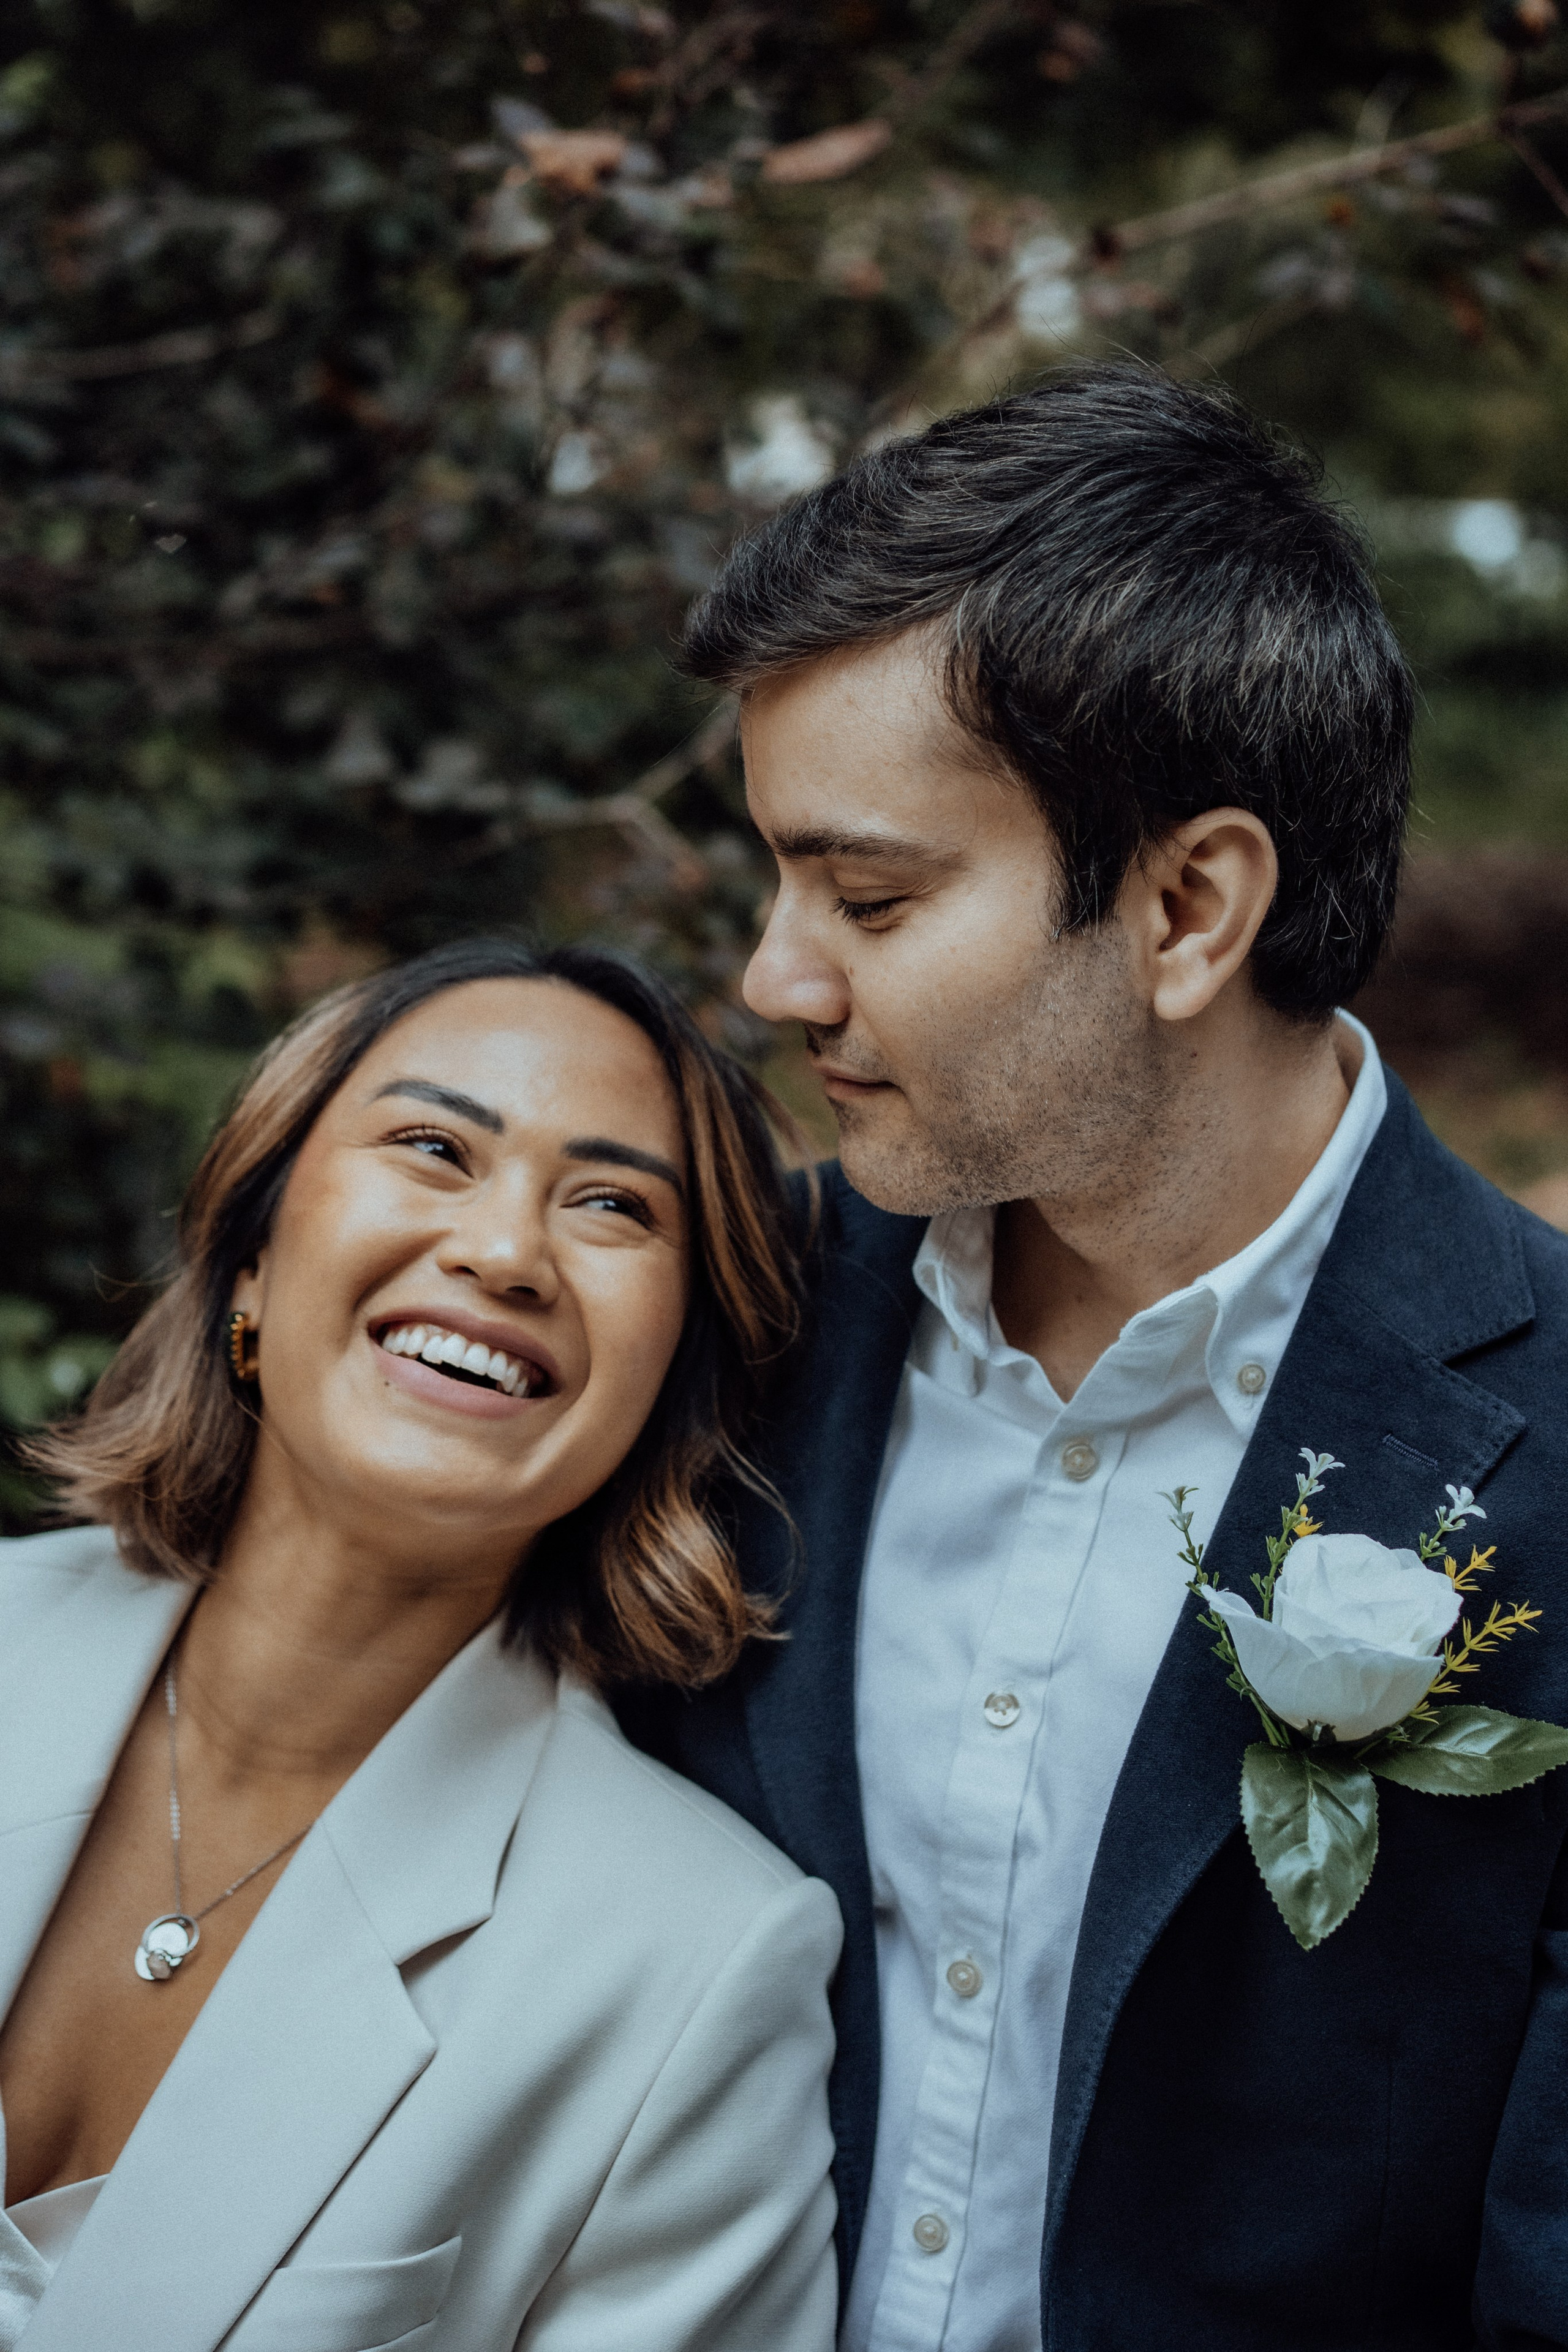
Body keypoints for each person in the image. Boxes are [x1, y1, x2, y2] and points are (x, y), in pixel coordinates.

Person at [623, 365, 1568, 2351]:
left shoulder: (1549, 1443)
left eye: (868, 896)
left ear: (1186, 907)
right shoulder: (725, 1327)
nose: (775, 979)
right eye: (778, 883)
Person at [0, 940, 841, 2352]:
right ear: (251, 1256)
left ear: (666, 1384)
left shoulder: (697, 1969)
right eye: (434, 1147)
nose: (505, 1252)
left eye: (612, 1205)